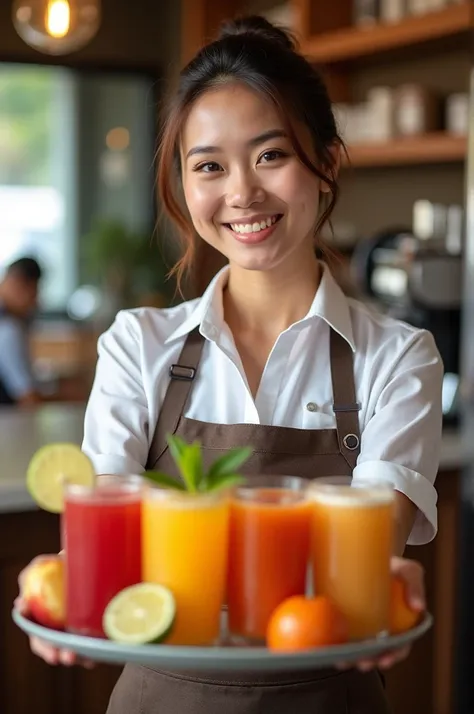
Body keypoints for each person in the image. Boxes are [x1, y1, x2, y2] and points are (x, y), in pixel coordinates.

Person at [15, 15, 443, 713]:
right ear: (184, 185)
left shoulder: (396, 356)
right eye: (209, 165)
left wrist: (386, 578)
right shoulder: (138, 345)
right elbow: (108, 525)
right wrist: (63, 579)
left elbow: (372, 545)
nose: (241, 193)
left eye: (270, 155)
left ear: (326, 161)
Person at [0, 256, 43, 406]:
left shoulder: (14, 322)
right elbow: (28, 397)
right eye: (34, 292)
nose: (36, 300)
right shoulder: (9, 329)